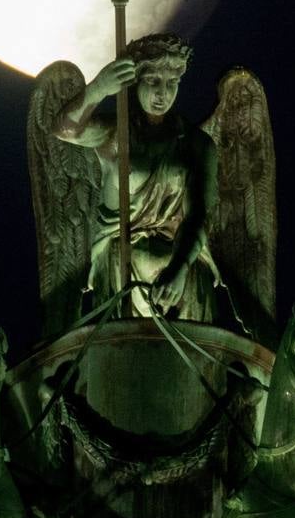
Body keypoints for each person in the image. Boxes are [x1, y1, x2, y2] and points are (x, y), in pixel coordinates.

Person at [52, 34, 220, 319]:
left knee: (195, 276)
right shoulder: (113, 133)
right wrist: (98, 88)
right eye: (153, 81)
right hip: (121, 255)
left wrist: (179, 268)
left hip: (180, 254)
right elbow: (64, 129)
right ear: (136, 82)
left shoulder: (196, 145)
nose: (162, 94)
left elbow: (198, 216)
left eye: (171, 83)